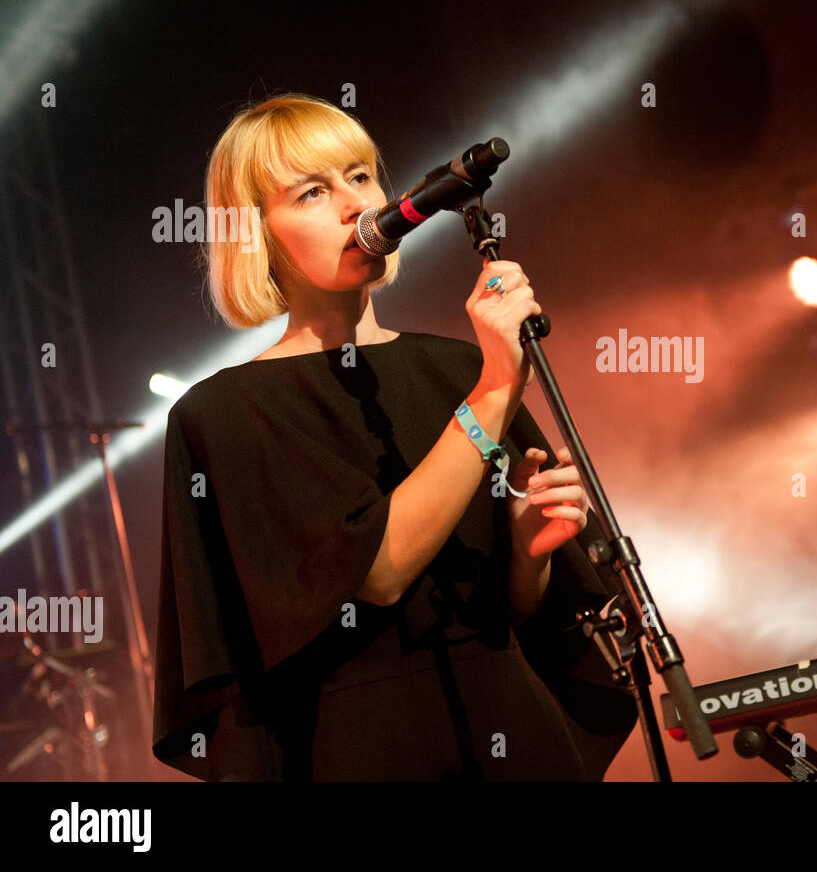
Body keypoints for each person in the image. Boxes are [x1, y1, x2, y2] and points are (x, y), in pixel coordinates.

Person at [152, 93, 636, 780]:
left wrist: (529, 556)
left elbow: (516, 619)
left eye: (360, 175)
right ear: (254, 232)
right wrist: (494, 396)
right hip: (364, 751)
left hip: (510, 731)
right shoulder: (225, 412)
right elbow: (375, 573)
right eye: (312, 192)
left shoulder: (458, 366)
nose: (355, 205)